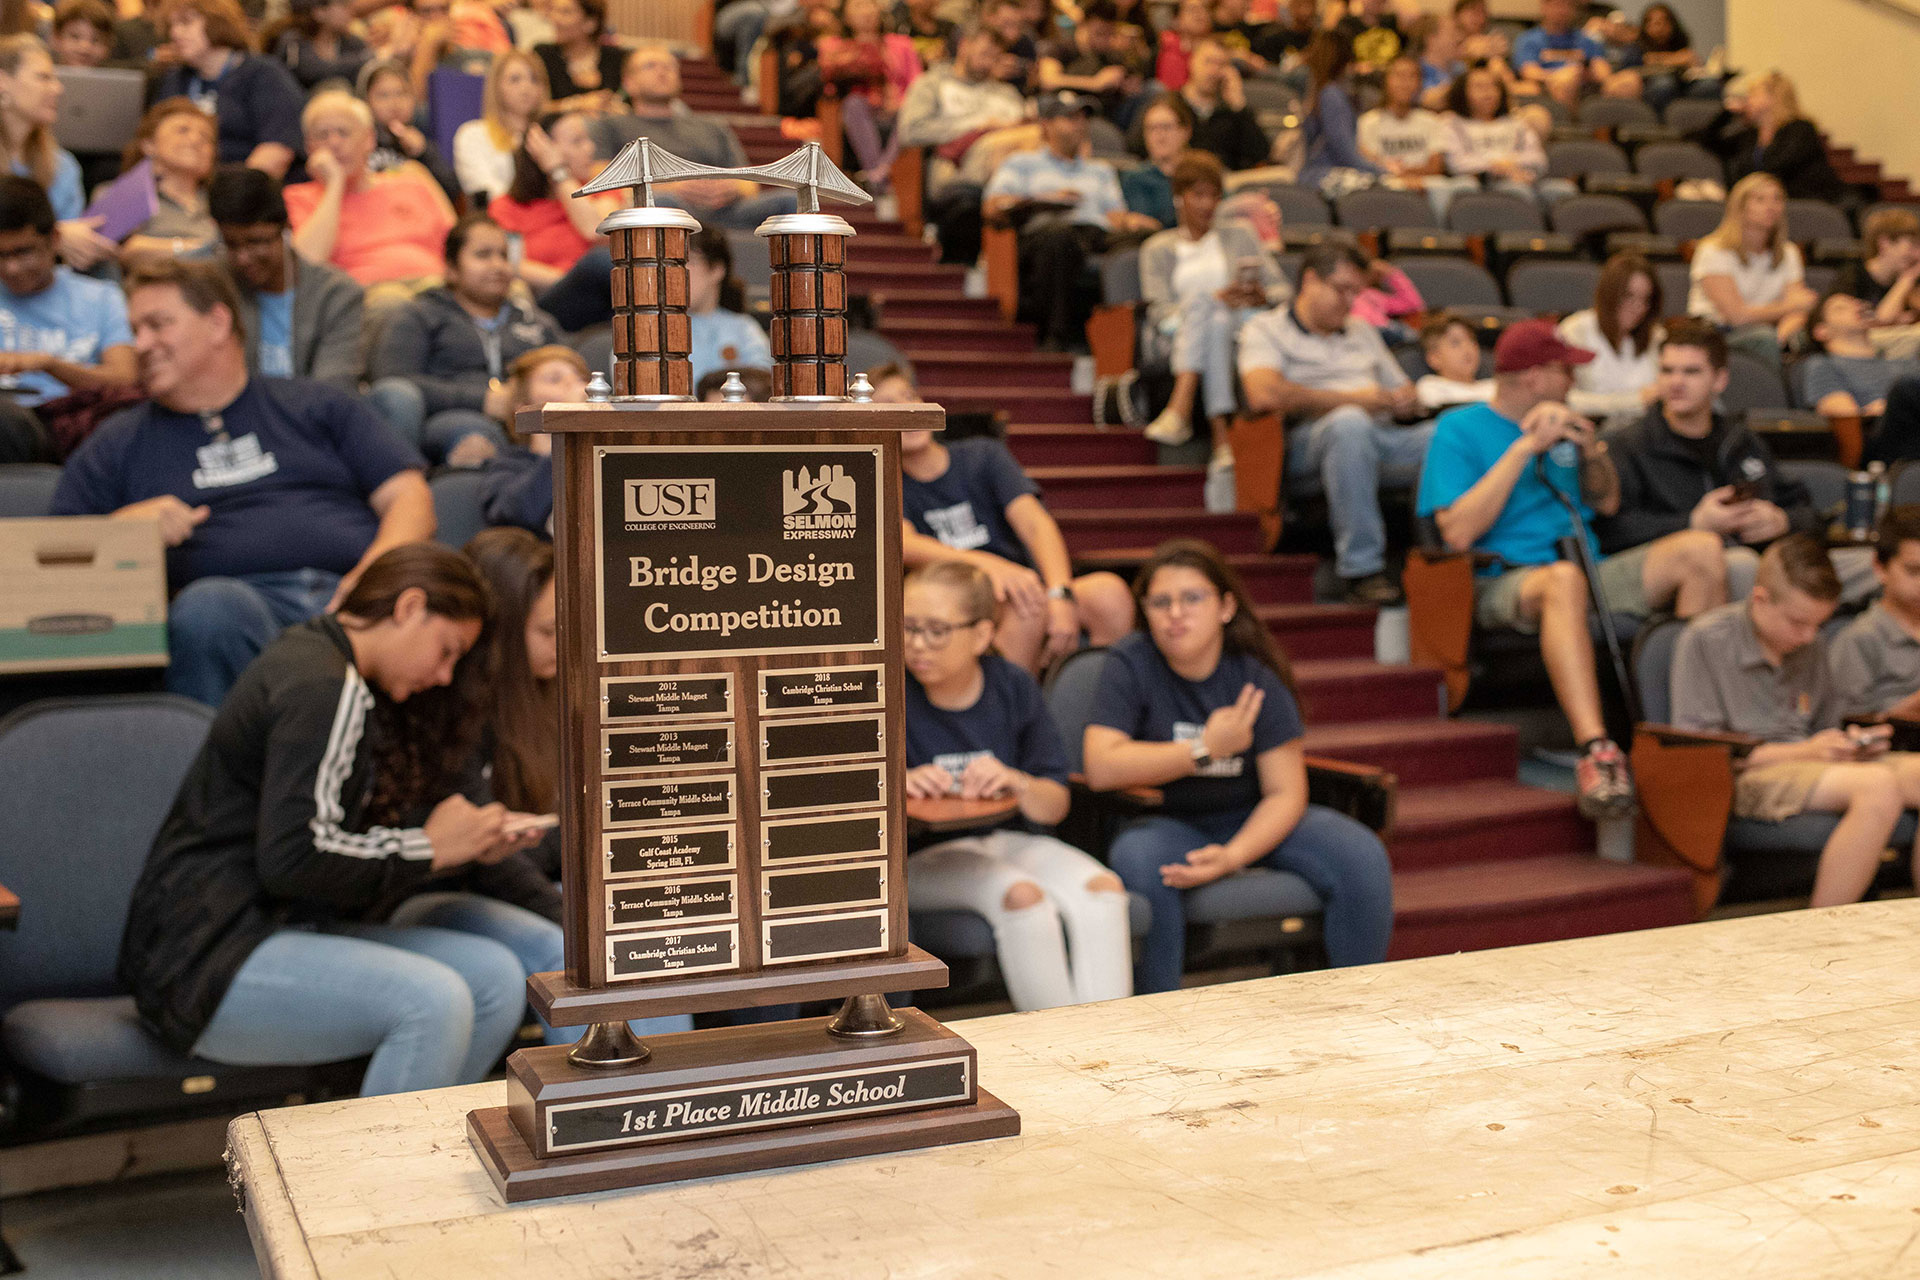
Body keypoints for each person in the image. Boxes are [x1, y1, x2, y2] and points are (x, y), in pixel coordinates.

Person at [115, 543, 558, 1097]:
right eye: (447, 650)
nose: (446, 676)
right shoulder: (327, 685)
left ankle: (416, 1160)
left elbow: (329, 838)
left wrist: (458, 843)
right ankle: (370, 1180)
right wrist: (428, 847)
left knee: (493, 978)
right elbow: (294, 858)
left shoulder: (326, 668)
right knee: (434, 1000)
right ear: (408, 608)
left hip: (277, 928)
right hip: (209, 953)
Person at [51, 259, 435, 706]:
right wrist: (128, 532)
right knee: (212, 609)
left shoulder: (315, 404)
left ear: (217, 323)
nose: (140, 345)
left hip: (357, 595)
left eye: (157, 325)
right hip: (235, 616)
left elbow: (409, 495)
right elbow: (54, 566)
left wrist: (374, 577)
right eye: (135, 329)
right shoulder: (117, 442)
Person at [1415, 319, 1730, 818]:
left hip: (1588, 566)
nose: (1574, 382)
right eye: (1566, 371)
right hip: (1506, 578)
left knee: (1702, 551)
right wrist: (1524, 450)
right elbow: (1456, 531)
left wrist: (1592, 451)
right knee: (1564, 582)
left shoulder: (1568, 423)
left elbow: (1607, 504)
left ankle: (1685, 733)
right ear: (1535, 377)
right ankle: (1597, 749)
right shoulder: (1459, 429)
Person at [1084, 539, 1394, 994]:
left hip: (1249, 817)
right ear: (1144, 612)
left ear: (1226, 607)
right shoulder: (1129, 664)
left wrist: (1233, 856)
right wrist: (1204, 748)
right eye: (1160, 602)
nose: (1175, 613)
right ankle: (1158, 1020)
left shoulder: (1253, 675)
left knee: (1362, 856)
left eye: (1192, 598)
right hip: (1165, 822)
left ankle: (1355, 1004)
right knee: (1142, 862)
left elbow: (1285, 792)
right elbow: (1102, 765)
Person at [902, 560, 1131, 1010]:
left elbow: (1056, 803)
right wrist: (899, 784)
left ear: (983, 634)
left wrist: (1018, 782)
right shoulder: (887, 689)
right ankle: (1057, 1050)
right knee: (1024, 898)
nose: (917, 644)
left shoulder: (1012, 685)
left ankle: (1108, 1045)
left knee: (1104, 889)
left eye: (936, 630)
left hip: (1010, 840)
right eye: (907, 628)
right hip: (919, 859)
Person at [1671, 534, 1920, 907]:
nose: (1809, 636)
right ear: (1761, 600)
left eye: (1819, 624)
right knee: (1878, 787)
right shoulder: (1706, 640)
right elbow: (1701, 753)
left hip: (1812, 762)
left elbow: (1824, 726)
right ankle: (1824, 931)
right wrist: (1808, 749)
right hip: (1745, 774)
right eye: (1798, 623)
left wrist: (1854, 743)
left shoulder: (1811, 643)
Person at [877, 363, 1136, 671]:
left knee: (1109, 594)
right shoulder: (886, 478)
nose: (906, 410)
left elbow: (1034, 524)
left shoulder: (982, 455)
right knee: (1025, 605)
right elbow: (905, 543)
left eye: (909, 396)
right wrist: (987, 565)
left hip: (1023, 584)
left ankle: (1103, 710)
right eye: (889, 405)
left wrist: (1060, 592)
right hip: (958, 600)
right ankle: (1015, 714)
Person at [1598, 318, 1848, 603]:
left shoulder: (1741, 440)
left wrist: (1782, 521)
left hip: (1765, 558)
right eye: (1667, 371)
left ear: (1720, 380)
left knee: (1865, 567)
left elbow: (1806, 509)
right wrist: (1692, 522)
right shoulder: (1629, 444)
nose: (1676, 382)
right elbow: (1612, 531)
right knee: (1741, 566)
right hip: (1680, 567)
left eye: (1691, 372)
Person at [1238, 241, 1432, 607]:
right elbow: (1263, 395)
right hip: (1305, 445)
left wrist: (1407, 400)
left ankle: (1452, 557)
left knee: (1452, 433)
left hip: (1382, 436)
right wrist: (1356, 401)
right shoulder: (1266, 329)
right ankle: (1361, 570)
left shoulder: (1361, 331)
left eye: (1355, 292)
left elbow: (1402, 389)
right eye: (1341, 289)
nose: (1349, 302)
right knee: (1349, 423)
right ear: (1310, 281)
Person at [1139, 149, 1290, 510]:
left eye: (1214, 195)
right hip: (1178, 332)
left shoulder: (1240, 235)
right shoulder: (1157, 248)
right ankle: (1222, 437)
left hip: (1244, 329)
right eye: (1198, 195)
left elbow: (1285, 290)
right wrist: (1213, 300)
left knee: (1217, 314)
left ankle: (1182, 406)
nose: (1207, 204)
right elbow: (1158, 311)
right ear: (1180, 197)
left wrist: (1259, 294)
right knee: (1205, 305)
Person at [368, 214, 565, 465]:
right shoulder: (421, 315)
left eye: (504, 256)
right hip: (451, 419)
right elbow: (393, 381)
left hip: (535, 426)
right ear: (451, 269)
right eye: (483, 255)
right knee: (472, 436)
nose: (498, 265)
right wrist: (483, 400)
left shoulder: (534, 320)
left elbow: (573, 372)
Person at [982, 90, 1155, 351]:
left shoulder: (1100, 170)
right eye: (1069, 118)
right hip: (1045, 232)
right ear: (1047, 125)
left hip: (1095, 234)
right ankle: (1056, 337)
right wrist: (1044, 198)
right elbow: (993, 207)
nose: (1079, 124)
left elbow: (1115, 216)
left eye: (1082, 118)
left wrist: (1132, 223)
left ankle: (1129, 343)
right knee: (1059, 236)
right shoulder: (1022, 163)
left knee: (1148, 240)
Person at [592, 45, 797, 232]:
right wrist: (672, 188)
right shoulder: (611, 126)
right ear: (629, 83)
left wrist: (730, 188)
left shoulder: (711, 127)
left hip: (722, 210)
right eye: (650, 66)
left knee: (788, 201)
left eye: (669, 67)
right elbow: (601, 180)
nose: (662, 72)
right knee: (663, 203)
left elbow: (749, 185)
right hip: (662, 208)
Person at [284, 90, 458, 304]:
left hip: (436, 289)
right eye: (322, 135)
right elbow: (305, 265)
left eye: (343, 132)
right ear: (309, 147)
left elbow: (460, 246)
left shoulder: (412, 181)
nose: (334, 143)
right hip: (366, 300)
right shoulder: (298, 197)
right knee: (392, 304)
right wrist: (334, 185)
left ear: (369, 139)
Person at [0, 174, 136, 441]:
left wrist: (48, 364)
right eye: (0, 255)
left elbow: (125, 378)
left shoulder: (102, 298)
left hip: (69, 427)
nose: (10, 268)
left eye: (23, 252)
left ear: (54, 240)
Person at [209, 165, 365, 392]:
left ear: (287, 228)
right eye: (231, 244)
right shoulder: (213, 285)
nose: (243, 258)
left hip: (311, 418)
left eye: (255, 242)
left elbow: (333, 390)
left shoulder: (336, 294)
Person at [895, 24, 1030, 267]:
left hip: (1011, 176)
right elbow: (910, 131)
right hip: (957, 173)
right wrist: (977, 128)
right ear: (964, 46)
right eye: (985, 53)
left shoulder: (1007, 93)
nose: (990, 62)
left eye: (996, 57)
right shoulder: (932, 84)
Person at [150, 0, 304, 181]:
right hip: (183, 193)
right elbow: (152, 144)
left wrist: (229, 197)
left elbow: (276, 153)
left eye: (185, 22)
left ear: (218, 23)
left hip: (244, 192)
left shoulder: (264, 75)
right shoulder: (176, 79)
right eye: (171, 26)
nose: (174, 33)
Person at [0, 34, 114, 270]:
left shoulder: (63, 166)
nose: (58, 89)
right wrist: (56, 237)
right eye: (44, 77)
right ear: (3, 83)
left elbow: (73, 253)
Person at [1687, 172, 1816, 365]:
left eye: (1777, 199)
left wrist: (1781, 337)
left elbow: (1798, 310)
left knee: (1812, 335)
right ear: (1740, 206)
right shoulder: (1713, 250)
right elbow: (1737, 316)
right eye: (1760, 199)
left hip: (1773, 332)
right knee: (1764, 338)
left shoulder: (1788, 252)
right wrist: (1789, 308)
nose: (1771, 206)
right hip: (1716, 335)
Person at [489, 110, 614, 289]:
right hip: (550, 295)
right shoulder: (508, 206)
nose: (590, 148)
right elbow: (514, 265)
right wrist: (557, 169)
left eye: (587, 139)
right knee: (596, 263)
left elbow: (596, 229)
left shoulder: (604, 187)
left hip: (606, 292)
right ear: (542, 151)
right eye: (577, 141)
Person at [477, 343, 585, 535]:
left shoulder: (603, 458)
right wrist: (559, 441)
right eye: (554, 379)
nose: (575, 386)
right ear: (524, 407)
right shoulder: (507, 464)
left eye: (580, 378)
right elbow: (517, 514)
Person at [1699, 70, 1846, 206]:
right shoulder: (1750, 136)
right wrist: (1726, 113)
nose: (1747, 100)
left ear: (1772, 97)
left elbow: (1776, 165)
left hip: (1802, 205)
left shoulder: (1800, 129)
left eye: (1753, 94)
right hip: (1759, 207)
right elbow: (1708, 140)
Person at [820, 0, 923, 186]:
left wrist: (900, 102)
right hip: (860, 113)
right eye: (859, 6)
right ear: (846, 15)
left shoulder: (902, 44)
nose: (867, 11)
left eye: (871, 4)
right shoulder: (835, 47)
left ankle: (877, 175)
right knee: (853, 104)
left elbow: (918, 86)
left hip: (899, 110)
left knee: (912, 111)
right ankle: (879, 174)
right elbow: (829, 88)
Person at [1830, 510, 1920, 719]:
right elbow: (1842, 726)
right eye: (1913, 571)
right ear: (1880, 568)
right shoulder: (1859, 639)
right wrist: (1907, 709)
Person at [110, 98, 219, 264]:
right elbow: (115, 254)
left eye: (206, 136)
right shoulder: (124, 194)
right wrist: (194, 248)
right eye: (182, 130)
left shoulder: (221, 203)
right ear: (149, 144)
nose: (196, 140)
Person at [1557, 251, 1663, 423]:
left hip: (1645, 435)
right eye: (1629, 296)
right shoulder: (1575, 330)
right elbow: (1564, 398)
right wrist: (1634, 401)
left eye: (1646, 299)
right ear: (1609, 293)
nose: (1639, 307)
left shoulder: (1656, 335)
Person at [1439, 64, 1557, 213]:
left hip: (1521, 176)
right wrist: (1496, 167)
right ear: (1462, 92)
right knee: (1518, 192)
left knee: (1561, 191)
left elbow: (1539, 159)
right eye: (1479, 87)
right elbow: (1456, 163)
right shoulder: (1451, 122)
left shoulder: (1516, 123)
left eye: (1493, 86)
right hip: (1481, 182)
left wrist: (1511, 164)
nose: (1487, 92)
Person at [1802, 292, 1920, 425]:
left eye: (1855, 302)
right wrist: (1885, 408)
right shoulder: (1823, 364)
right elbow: (1846, 420)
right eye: (1841, 308)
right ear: (1821, 331)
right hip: (1888, 433)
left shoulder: (1904, 361)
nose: (1856, 307)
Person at [452, 48, 548, 205]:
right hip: (500, 218)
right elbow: (484, 189)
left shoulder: (549, 136)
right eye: (515, 79)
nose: (526, 88)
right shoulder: (472, 134)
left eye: (535, 79)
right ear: (497, 86)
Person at [358, 57, 459, 203]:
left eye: (401, 93)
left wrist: (423, 152)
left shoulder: (423, 141)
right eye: (383, 95)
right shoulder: (358, 143)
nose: (394, 103)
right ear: (366, 102)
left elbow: (452, 192)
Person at [685, 224, 772, 388]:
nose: (677, 271)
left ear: (717, 269)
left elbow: (761, 387)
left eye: (689, 261)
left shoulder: (743, 329)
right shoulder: (651, 327)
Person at [1296, 30, 1380, 193]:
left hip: (1318, 174)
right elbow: (1345, 153)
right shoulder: (1331, 95)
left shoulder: (1318, 90)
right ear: (1345, 61)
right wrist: (1383, 172)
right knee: (1383, 188)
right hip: (1323, 174)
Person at [1036, 0, 1141, 125]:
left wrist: (1128, 85)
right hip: (1075, 114)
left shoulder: (1111, 54)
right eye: (1100, 33)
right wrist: (1095, 83)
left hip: (1110, 113)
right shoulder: (1061, 48)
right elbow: (1047, 80)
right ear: (1084, 25)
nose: (1105, 40)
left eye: (1110, 34)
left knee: (1152, 89)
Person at [1357, 55, 1448, 197]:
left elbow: (1436, 167)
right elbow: (1370, 164)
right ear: (1386, 81)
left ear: (1420, 83)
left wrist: (1409, 174)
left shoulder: (1431, 120)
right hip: (1385, 187)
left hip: (1426, 187)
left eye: (1411, 77)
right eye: (1399, 76)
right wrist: (1402, 177)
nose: (1405, 83)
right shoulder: (1368, 122)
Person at [1511, 0, 1629, 110]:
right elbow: (1529, 72)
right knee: (1565, 80)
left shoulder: (1585, 39)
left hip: (1584, 88)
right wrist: (1561, 75)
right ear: (1544, 7)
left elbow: (1603, 72)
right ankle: (1571, 129)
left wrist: (1584, 74)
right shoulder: (1529, 39)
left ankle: (1611, 129)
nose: (1563, 10)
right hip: (1546, 87)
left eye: (1568, 5)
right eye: (1558, 4)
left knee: (1627, 82)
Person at [1179, 38, 1268, 173]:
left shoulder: (1234, 111)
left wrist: (1239, 106)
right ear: (1191, 62)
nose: (1213, 70)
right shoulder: (1170, 105)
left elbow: (1261, 154)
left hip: (1227, 182)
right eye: (1208, 61)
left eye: (1221, 64)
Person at [1836, 206, 1920, 339]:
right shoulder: (1852, 276)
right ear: (1884, 243)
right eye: (1913, 244)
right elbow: (1884, 318)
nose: (1917, 254)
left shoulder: (1914, 279)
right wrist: (1907, 279)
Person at [532, 0, 621, 111]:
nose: (554, 18)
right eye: (553, 11)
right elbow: (533, 107)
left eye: (565, 12)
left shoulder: (615, 57)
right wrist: (576, 104)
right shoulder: (543, 54)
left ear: (590, 22)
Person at [1120, 93, 1192, 229]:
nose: (1159, 136)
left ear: (1185, 131)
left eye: (1166, 127)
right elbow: (1144, 225)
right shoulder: (1135, 178)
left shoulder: (1201, 173)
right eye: (1152, 129)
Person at [272, 0, 373, 91]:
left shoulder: (352, 42)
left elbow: (371, 65)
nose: (350, 11)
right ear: (319, 12)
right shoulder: (294, 41)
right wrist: (360, 61)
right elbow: (311, 71)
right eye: (343, 5)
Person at [1413, 312, 1493, 412]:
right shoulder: (1430, 386)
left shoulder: (1494, 386)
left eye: (1471, 340)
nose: (1467, 348)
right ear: (1434, 358)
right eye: (1455, 343)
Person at [1154, 0, 1214, 93]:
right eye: (1192, 10)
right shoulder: (1164, 45)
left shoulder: (1216, 49)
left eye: (1205, 9)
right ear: (1176, 20)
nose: (1200, 14)